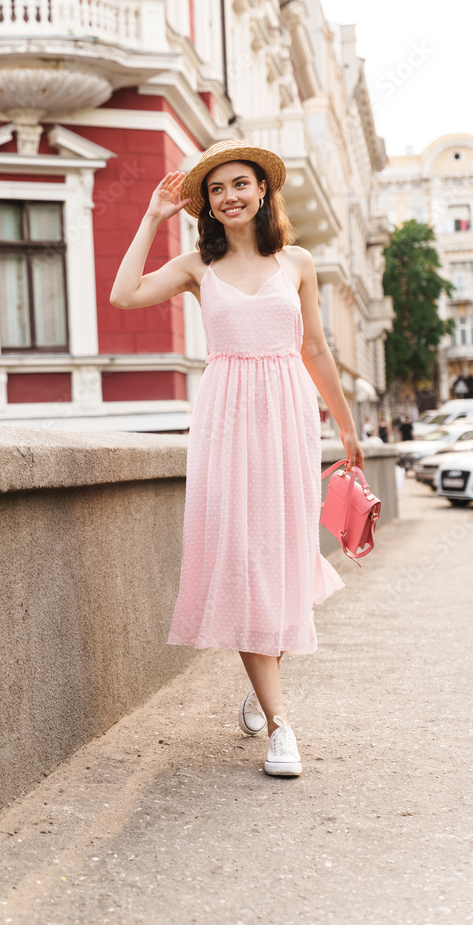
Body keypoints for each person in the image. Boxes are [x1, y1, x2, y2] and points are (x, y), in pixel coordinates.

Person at [110, 140, 364, 778]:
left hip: (286, 423)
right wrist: (151, 219)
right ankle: (282, 725)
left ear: (262, 191)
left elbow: (317, 351)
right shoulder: (198, 265)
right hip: (224, 424)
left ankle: (261, 684)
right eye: (217, 188)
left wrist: (348, 425)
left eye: (240, 184)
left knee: (277, 556)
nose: (229, 196)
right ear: (207, 202)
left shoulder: (298, 262)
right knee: (244, 556)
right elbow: (124, 295)